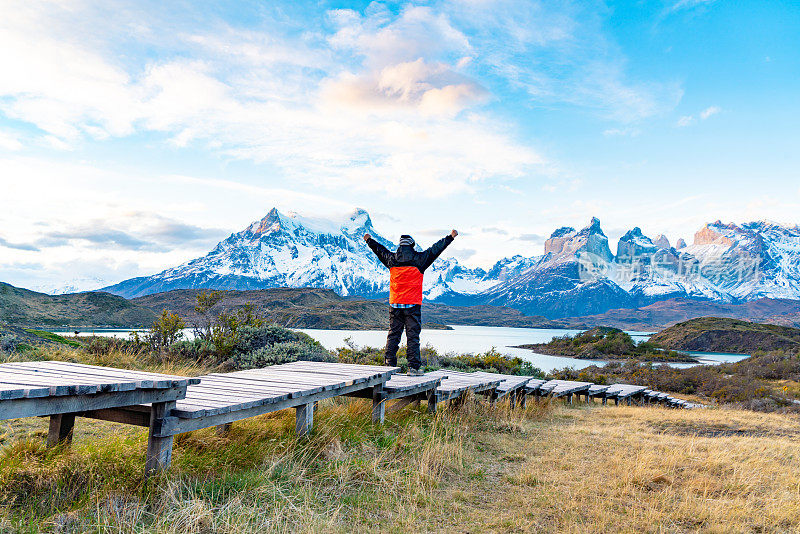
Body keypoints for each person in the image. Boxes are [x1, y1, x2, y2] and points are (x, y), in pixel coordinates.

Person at [364, 230, 458, 375]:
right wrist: (450, 237)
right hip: (413, 304)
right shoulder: (420, 260)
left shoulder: (392, 259)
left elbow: (379, 250)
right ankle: (413, 368)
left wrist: (369, 240)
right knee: (412, 336)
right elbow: (436, 249)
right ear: (412, 245)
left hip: (395, 303)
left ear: (400, 246)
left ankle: (389, 365)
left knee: (393, 334)